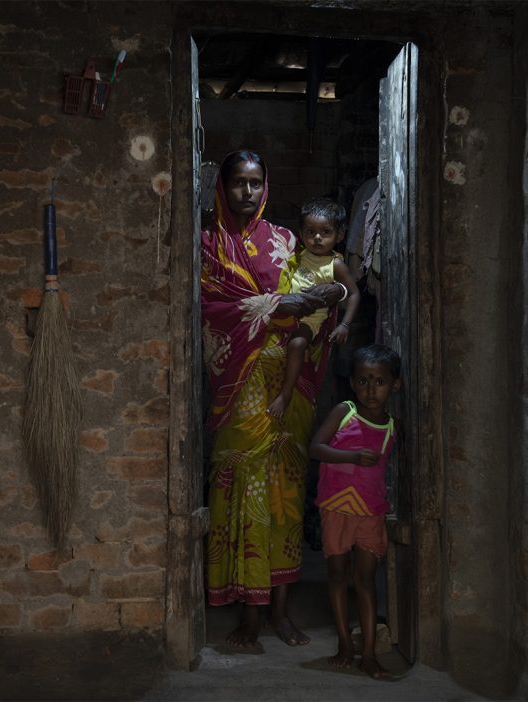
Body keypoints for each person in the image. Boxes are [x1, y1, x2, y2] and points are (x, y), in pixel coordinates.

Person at [202, 150, 345, 648]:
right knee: (244, 492)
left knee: (284, 495)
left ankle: (281, 612)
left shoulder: (287, 242)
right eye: (239, 182)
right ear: (223, 186)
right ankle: (247, 611)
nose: (248, 192)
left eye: (257, 182)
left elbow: (323, 291)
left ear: (267, 186)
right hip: (240, 390)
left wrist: (325, 302)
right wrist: (275, 305)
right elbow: (211, 309)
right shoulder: (208, 247)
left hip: (289, 386)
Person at [309, 343, 401, 678]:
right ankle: (345, 643)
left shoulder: (392, 427)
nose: (370, 389)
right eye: (363, 381)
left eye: (379, 382)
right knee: (337, 575)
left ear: (395, 385)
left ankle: (370, 654)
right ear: (352, 383)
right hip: (336, 508)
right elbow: (316, 448)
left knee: (365, 580)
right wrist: (350, 456)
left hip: (371, 511)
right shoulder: (344, 411)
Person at [267, 197, 360, 419]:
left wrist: (345, 324)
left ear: (339, 235)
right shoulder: (297, 254)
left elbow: (355, 293)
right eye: (310, 232)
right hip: (287, 313)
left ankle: (286, 394)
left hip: (310, 320)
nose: (317, 238)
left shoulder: (335, 265)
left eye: (325, 232)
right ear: (301, 232)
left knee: (297, 344)